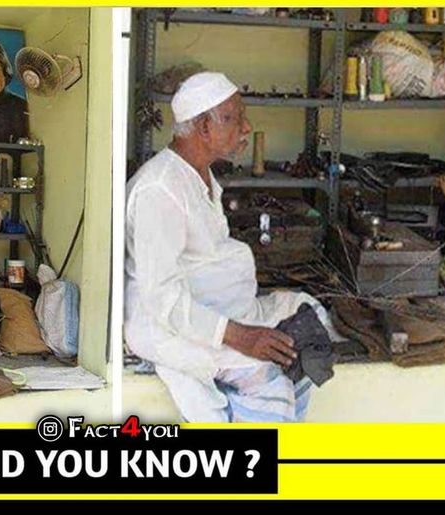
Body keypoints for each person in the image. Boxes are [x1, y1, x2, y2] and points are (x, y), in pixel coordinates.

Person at [125, 72, 336, 423]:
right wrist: (241, 337)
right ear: (204, 127)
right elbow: (162, 299)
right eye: (234, 118)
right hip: (170, 326)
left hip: (215, 309)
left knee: (305, 323)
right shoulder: (159, 190)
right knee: (272, 372)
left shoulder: (199, 174)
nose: (246, 127)